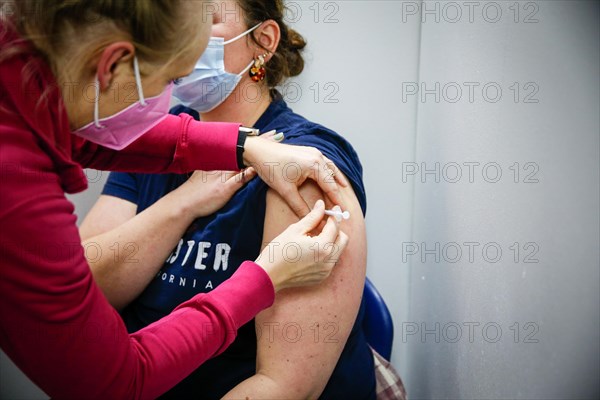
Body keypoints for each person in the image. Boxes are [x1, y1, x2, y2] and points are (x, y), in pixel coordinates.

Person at [0, 2, 351, 399]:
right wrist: (260, 276)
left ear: (264, 42)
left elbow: (288, 385)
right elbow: (114, 372)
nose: (169, 95)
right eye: (170, 77)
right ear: (113, 64)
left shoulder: (306, 158)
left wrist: (242, 147)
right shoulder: (15, 182)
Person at [81, 1, 406, 399]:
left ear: (263, 42)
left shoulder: (302, 165)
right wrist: (184, 202)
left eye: (204, 19)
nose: (177, 36)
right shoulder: (149, 141)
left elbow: (286, 387)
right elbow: (86, 290)